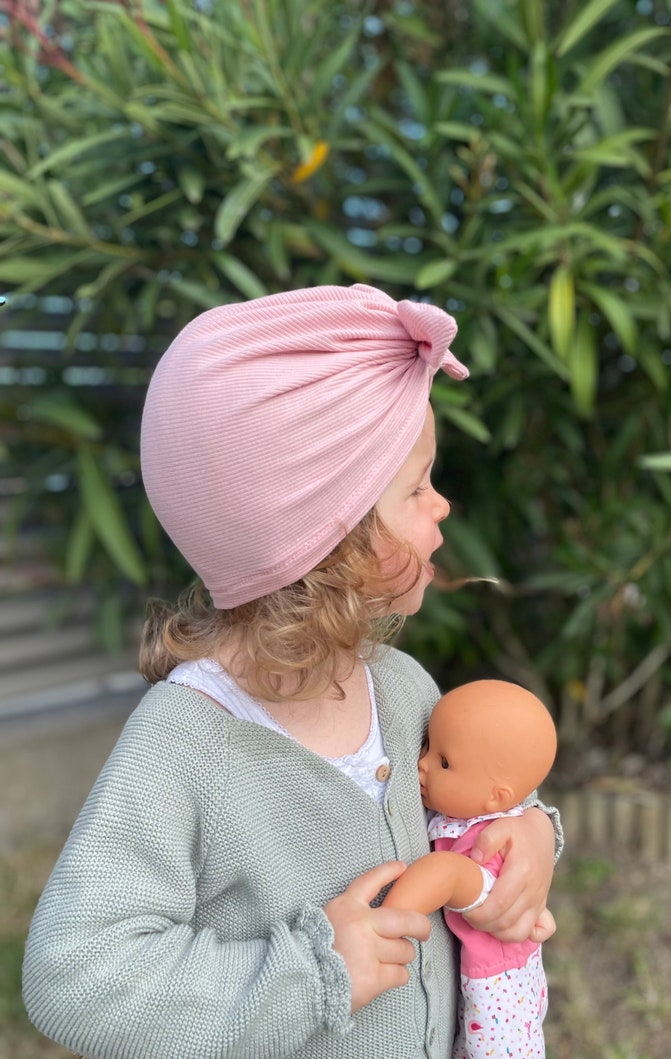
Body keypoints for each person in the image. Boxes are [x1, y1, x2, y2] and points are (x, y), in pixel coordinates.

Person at [23, 283, 563, 1059]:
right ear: (325, 543)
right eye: (417, 487)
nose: (443, 506)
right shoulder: (189, 743)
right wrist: (313, 971)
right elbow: (74, 973)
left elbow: (480, 801)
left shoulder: (403, 687)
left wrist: (534, 834)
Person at [383, 680, 558, 1058]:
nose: (422, 764)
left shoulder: (488, 844)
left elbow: (448, 874)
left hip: (500, 993)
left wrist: (385, 924)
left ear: (497, 797)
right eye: (427, 746)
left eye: (444, 762)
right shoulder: (472, 815)